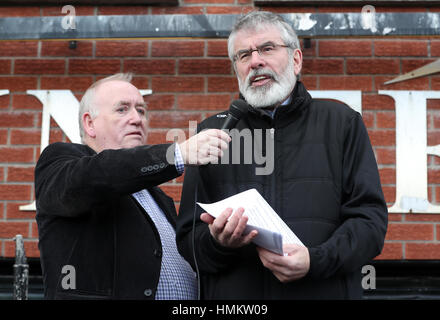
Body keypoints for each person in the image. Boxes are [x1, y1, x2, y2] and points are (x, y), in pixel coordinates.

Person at [176, 11, 388, 299]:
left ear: (296, 60)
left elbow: (370, 224)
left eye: (267, 48)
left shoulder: (341, 123)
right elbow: (189, 242)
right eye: (243, 55)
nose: (255, 62)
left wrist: (314, 260)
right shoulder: (211, 133)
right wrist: (218, 242)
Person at [34, 73, 231, 300]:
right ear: (90, 123)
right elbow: (98, 175)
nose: (137, 118)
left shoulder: (159, 198)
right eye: (122, 109)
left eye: (141, 110)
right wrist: (177, 153)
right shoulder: (61, 160)